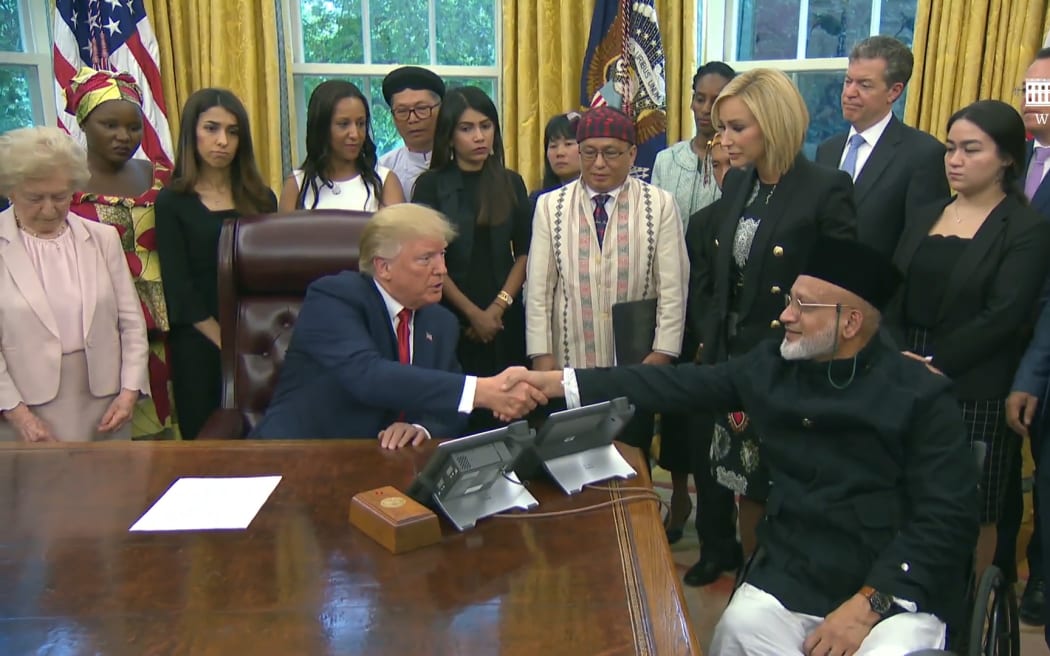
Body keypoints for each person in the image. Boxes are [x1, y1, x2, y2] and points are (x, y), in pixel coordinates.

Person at [502, 237, 978, 655]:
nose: (785, 315)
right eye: (789, 299)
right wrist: (556, 383)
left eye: (803, 307)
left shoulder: (919, 395)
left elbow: (945, 519)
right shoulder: (773, 366)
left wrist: (869, 604)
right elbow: (676, 386)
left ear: (850, 322)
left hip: (892, 588)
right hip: (796, 571)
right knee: (737, 633)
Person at [695, 67, 856, 586]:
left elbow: (841, 287)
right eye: (722, 128)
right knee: (728, 470)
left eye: (737, 127)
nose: (724, 140)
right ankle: (739, 564)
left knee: (770, 482)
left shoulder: (825, 188)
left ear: (775, 124)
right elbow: (722, 276)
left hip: (790, 363)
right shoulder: (739, 182)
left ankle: (769, 579)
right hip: (733, 355)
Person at [888, 99, 1050, 581]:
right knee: (905, 491)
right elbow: (893, 290)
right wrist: (899, 354)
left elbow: (1003, 314)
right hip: (904, 370)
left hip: (973, 381)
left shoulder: (1026, 228)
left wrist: (935, 362)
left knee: (973, 504)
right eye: (950, 148)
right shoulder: (925, 213)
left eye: (971, 149)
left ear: (1005, 158)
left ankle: (967, 608)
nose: (954, 160)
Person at [251, 204, 547, 441]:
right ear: (384, 267)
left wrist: (423, 429)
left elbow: (451, 410)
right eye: (426, 258)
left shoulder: (440, 321)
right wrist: (482, 391)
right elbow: (367, 375)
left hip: (384, 471)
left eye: (442, 255)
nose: (442, 270)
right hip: (297, 458)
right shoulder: (334, 298)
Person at [526, 106, 688, 465]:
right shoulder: (549, 206)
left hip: (635, 365)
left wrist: (662, 354)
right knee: (571, 462)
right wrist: (542, 357)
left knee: (629, 459)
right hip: (569, 364)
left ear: (632, 154)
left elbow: (673, 290)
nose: (599, 163)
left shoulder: (659, 205)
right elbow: (538, 290)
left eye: (611, 152)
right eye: (589, 152)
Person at [0, 127, 149, 442]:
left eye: (60, 196)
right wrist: (18, 414)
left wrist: (129, 393)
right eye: (35, 198)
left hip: (106, 405)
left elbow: (132, 325)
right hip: (22, 408)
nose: (49, 209)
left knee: (111, 490)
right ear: (11, 191)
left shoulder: (103, 238)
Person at [156, 89, 278, 440]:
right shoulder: (173, 201)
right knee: (206, 444)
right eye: (211, 128)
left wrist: (253, 341)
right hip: (198, 341)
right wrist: (227, 343)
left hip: (260, 338)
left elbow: (271, 276)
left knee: (263, 438)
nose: (222, 141)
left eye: (233, 131)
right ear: (192, 133)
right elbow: (179, 288)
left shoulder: (260, 197)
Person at [412, 86, 531, 433]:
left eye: (486, 125)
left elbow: (524, 251)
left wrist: (497, 307)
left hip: (504, 317)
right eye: (467, 129)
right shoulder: (430, 186)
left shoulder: (511, 182)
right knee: (456, 418)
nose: (479, 136)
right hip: (448, 315)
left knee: (507, 418)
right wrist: (473, 314)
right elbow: (428, 256)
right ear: (449, 135)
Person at [64, 67, 174, 439]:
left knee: (169, 423)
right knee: (112, 425)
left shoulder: (161, 176)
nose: (123, 137)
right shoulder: (62, 185)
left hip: (165, 320)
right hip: (98, 323)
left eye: (133, 127)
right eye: (109, 125)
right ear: (83, 122)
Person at [816, 36, 949, 258]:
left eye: (864, 85)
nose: (849, 92)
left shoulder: (923, 154)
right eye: (848, 81)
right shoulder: (827, 150)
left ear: (894, 91)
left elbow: (917, 247)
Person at [1004, 46, 1050, 631]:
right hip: (1003, 347)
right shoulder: (1015, 165)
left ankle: (1041, 580)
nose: (1030, 101)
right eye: (1027, 88)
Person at [279, 80, 403, 212]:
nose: (355, 134)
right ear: (321, 128)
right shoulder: (297, 184)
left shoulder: (385, 181)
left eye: (361, 123)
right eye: (343, 124)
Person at [651, 61, 736, 221]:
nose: (705, 109)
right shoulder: (666, 160)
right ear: (692, 102)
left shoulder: (737, 161)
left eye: (715, 101)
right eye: (700, 99)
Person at [378, 66, 446, 196]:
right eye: (402, 111)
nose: (413, 119)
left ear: (441, 109)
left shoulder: (461, 160)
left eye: (422, 108)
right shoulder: (384, 169)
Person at [528, 111, 582, 210]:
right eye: (553, 146)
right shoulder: (538, 200)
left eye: (568, 144)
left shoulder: (599, 198)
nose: (559, 153)